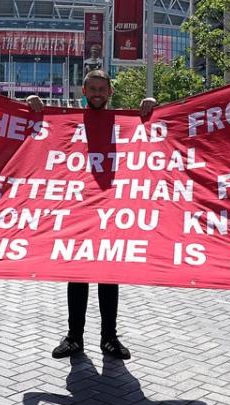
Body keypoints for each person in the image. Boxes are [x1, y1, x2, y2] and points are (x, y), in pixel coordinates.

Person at [26, 70, 155, 361]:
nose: (97, 93)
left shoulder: (126, 124)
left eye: (102, 89)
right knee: (78, 276)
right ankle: (74, 337)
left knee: (109, 276)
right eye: (92, 89)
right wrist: (32, 105)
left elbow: (157, 134)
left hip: (111, 210)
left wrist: (151, 106)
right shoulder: (67, 123)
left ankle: (109, 338)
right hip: (78, 209)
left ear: (110, 92)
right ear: (84, 91)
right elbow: (35, 135)